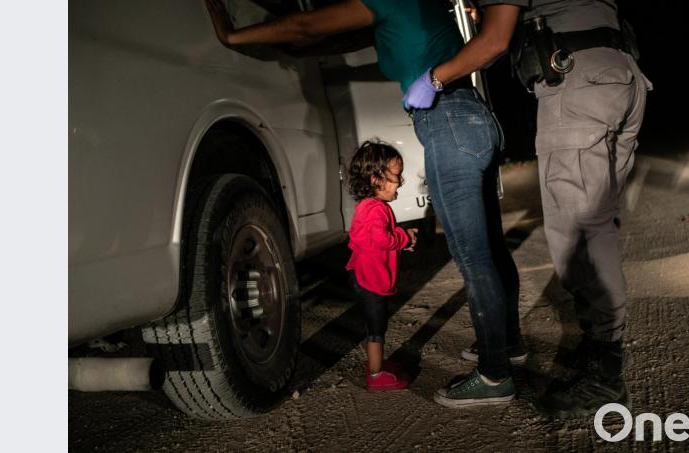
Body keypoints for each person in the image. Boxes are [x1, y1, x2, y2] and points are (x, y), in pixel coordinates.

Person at [205, 0, 524, 408]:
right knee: (491, 250)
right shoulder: (409, 9)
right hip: (473, 118)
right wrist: (291, 48)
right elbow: (325, 40)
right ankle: (507, 343)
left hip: (446, 121)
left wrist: (232, 36)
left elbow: (305, 25)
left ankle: (495, 373)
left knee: (473, 257)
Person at [404, 0, 652, 417]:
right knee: (598, 227)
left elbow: (494, 40)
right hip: (621, 74)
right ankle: (601, 352)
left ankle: (604, 375)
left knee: (578, 237)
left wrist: (434, 77)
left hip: (578, 84)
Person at [345, 141, 416, 391]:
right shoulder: (376, 209)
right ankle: (375, 375)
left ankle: (377, 365)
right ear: (376, 179)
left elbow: (372, 238)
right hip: (370, 279)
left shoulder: (368, 207)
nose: (401, 181)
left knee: (375, 325)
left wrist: (400, 236)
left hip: (362, 275)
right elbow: (381, 239)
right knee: (376, 327)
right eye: (396, 176)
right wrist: (403, 238)